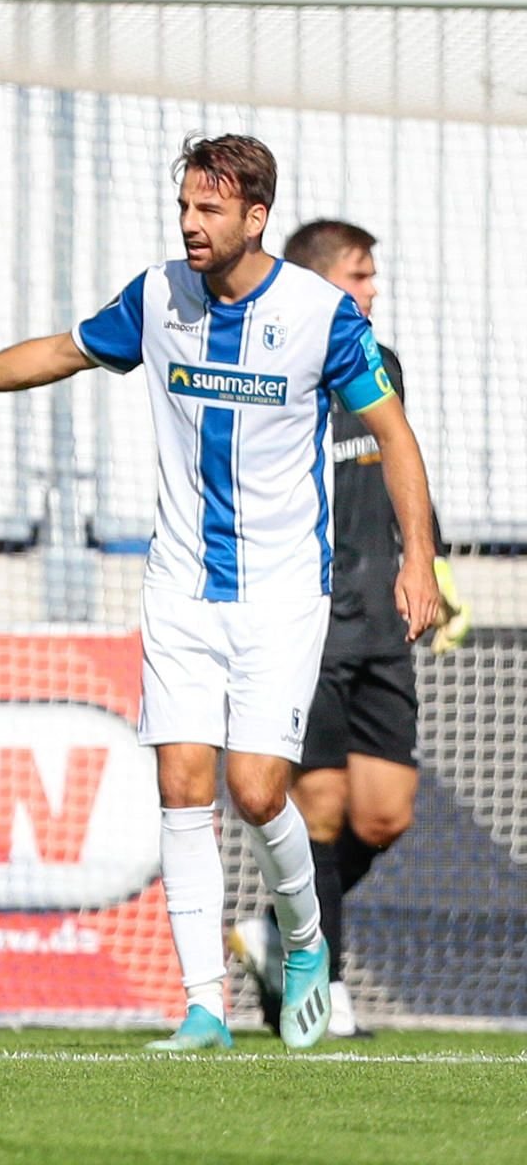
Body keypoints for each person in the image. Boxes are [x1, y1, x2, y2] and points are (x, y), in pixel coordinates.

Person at [0, 134, 442, 1052]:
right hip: (179, 583)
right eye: (184, 205)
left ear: (256, 218)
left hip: (283, 591)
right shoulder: (157, 296)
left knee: (259, 793)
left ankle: (303, 939)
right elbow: (58, 352)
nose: (190, 223)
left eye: (210, 209)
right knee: (183, 787)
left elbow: (395, 432)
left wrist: (417, 558)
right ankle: (203, 1010)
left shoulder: (322, 314)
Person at [230, 219, 470, 1039]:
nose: (374, 289)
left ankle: (279, 925)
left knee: (382, 816)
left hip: (382, 627)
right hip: (309, 624)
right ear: (324, 284)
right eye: (362, 276)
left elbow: (401, 465)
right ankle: (321, 989)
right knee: (321, 807)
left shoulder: (379, 364)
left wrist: (428, 562)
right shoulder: (270, 367)